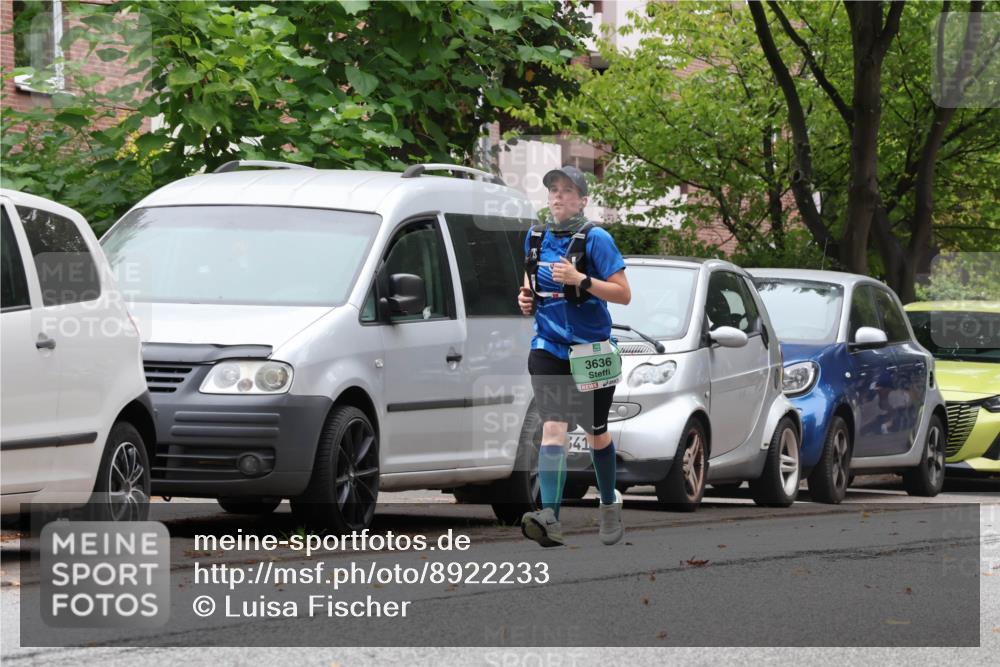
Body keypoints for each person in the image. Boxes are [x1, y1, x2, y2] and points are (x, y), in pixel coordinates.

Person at [517, 165, 631, 547]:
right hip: (547, 348)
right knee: (553, 426)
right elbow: (530, 283)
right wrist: (525, 297)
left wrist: (580, 280)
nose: (558, 196)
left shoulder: (596, 238)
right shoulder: (534, 237)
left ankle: (609, 504)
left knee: (596, 433)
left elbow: (622, 293)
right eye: (553, 190)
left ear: (582, 200)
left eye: (567, 191)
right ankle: (550, 517)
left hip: (591, 351)